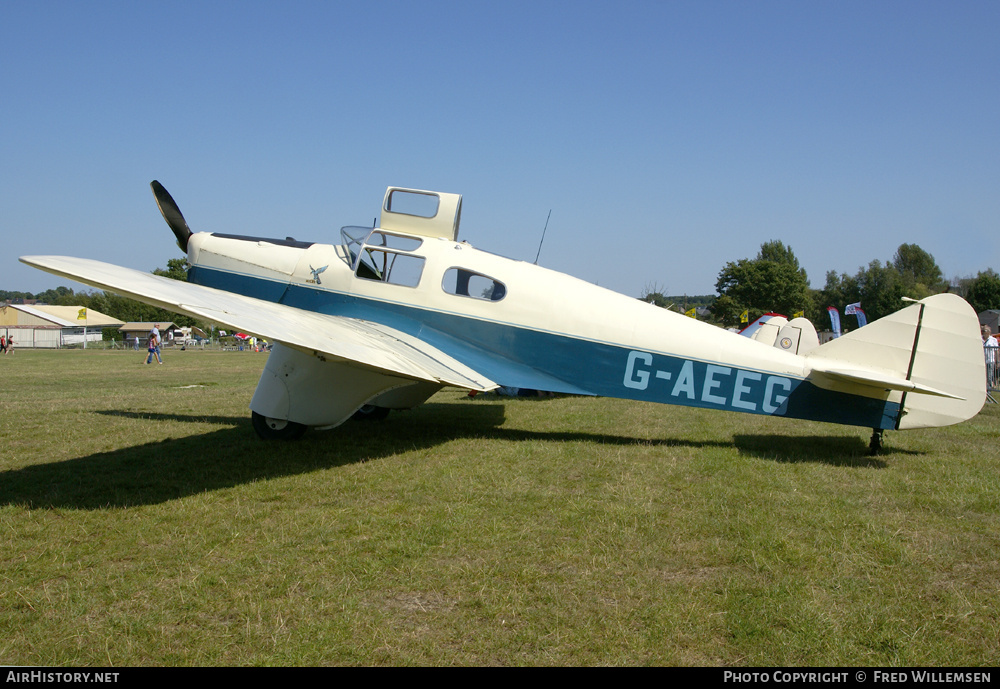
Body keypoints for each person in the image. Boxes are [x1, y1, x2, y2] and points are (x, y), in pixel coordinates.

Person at [983, 325, 998, 389]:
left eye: (985, 330)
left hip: (990, 360)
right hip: (982, 361)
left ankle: (988, 389)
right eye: (983, 331)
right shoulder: (980, 339)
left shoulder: (993, 340)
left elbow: (996, 351)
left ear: (989, 332)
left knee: (989, 376)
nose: (984, 332)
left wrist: (997, 361)